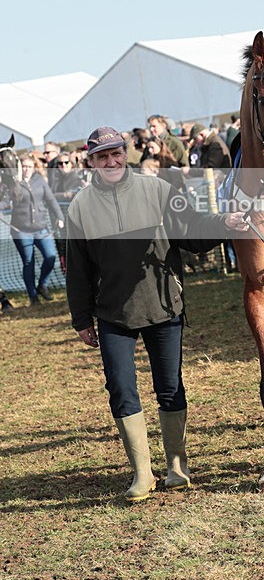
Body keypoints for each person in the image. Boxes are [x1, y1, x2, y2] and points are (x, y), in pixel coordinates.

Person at [66, 126, 248, 502]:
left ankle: (177, 467)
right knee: (120, 387)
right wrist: (82, 318)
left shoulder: (160, 190)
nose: (111, 161)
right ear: (92, 162)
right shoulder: (80, 206)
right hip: (113, 313)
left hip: (164, 305)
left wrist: (224, 225)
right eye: (102, 157)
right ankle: (142, 473)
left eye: (116, 153)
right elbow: (79, 270)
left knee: (169, 386)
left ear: (126, 152)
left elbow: (192, 232)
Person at [10, 153, 64, 305]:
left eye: (29, 166)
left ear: (34, 167)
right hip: (21, 229)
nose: (26, 169)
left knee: (51, 257)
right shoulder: (13, 183)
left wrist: (60, 217)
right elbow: (6, 202)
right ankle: (33, 297)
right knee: (29, 262)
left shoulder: (39, 180)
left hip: (41, 228)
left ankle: (42, 285)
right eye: (24, 167)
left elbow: (51, 199)